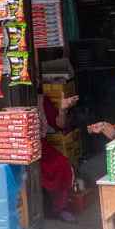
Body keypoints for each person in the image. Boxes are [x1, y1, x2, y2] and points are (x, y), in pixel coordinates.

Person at [40, 91, 79, 222]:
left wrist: (62, 110)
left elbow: (59, 125)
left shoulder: (41, 100)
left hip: (39, 145)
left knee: (62, 164)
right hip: (12, 144)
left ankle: (60, 208)